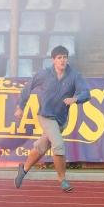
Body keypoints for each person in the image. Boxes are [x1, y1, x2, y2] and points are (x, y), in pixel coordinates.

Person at [14, 45, 91, 192]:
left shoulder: (74, 75)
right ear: (53, 60)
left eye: (65, 57)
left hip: (61, 120)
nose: (62, 60)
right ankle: (62, 180)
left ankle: (23, 170)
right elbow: (27, 88)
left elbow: (86, 93)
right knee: (58, 145)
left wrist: (75, 99)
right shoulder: (44, 74)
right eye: (59, 58)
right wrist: (20, 107)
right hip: (45, 115)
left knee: (41, 146)